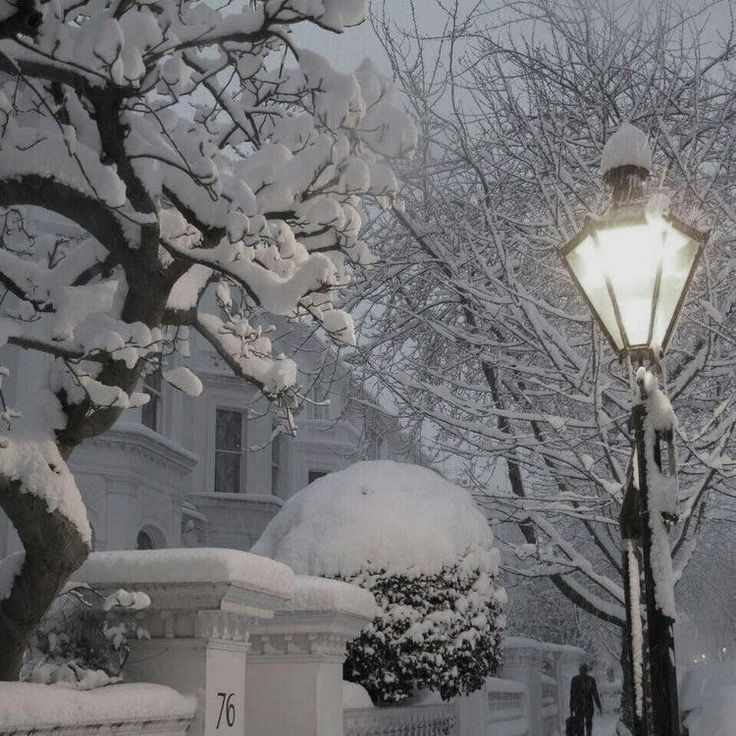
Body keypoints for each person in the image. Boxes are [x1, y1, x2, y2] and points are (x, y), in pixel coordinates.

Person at [569, 663, 602, 736]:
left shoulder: (574, 679)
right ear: (586, 670)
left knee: (581, 725)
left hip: (579, 706)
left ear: (579, 670)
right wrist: (599, 706)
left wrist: (571, 707)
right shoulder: (591, 680)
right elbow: (595, 694)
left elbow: (572, 695)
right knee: (588, 724)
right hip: (588, 706)